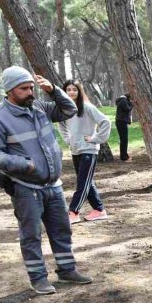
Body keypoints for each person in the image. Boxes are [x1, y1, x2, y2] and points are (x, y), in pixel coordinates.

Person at [0, 66, 92, 295]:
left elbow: (70, 109)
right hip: (25, 188)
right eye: (24, 88)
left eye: (31, 87)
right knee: (31, 234)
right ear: (10, 90)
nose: (30, 91)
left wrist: (53, 90)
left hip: (53, 186)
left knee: (62, 230)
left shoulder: (39, 107)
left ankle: (67, 269)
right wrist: (25, 164)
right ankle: (38, 278)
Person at [58, 79, 111, 223]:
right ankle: (99, 210)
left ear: (79, 91)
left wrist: (96, 138)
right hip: (76, 150)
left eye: (74, 89)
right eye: (68, 89)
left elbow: (106, 121)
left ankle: (73, 212)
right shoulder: (65, 109)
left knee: (83, 183)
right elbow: (61, 126)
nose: (71, 92)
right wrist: (69, 140)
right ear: (64, 92)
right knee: (87, 182)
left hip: (89, 149)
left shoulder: (87, 107)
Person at [114, 93, 132, 161]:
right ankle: (124, 157)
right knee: (124, 140)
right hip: (121, 122)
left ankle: (124, 156)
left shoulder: (121, 100)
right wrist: (132, 104)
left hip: (120, 121)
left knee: (123, 140)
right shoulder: (123, 101)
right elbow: (127, 109)